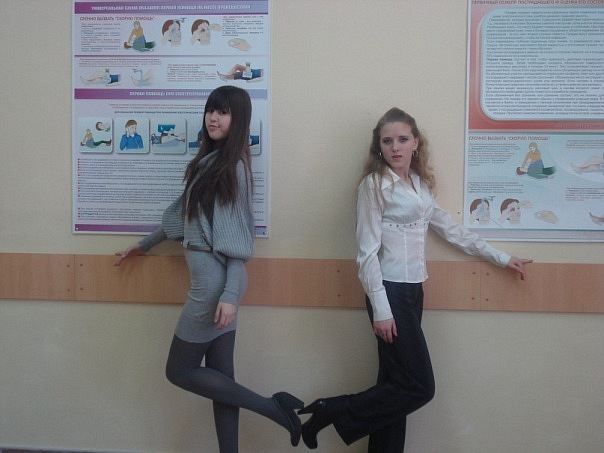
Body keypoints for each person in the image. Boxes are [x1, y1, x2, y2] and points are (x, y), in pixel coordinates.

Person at [298, 107, 532, 452]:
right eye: (387, 141)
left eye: (402, 139)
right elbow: (366, 254)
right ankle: (330, 409)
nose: (395, 147)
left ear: (415, 143)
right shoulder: (374, 186)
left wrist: (501, 257)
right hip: (389, 293)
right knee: (420, 386)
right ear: (379, 146)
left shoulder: (419, 186)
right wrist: (381, 309)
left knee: (395, 385)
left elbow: (451, 230)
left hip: (413, 292)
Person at [115, 86, 303, 452]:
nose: (213, 118)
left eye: (223, 112)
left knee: (178, 371)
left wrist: (229, 295)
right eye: (211, 110)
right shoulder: (210, 163)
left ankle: (274, 408)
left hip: (215, 288)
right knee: (221, 381)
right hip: (217, 285)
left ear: (239, 119)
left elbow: (236, 243)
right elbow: (185, 213)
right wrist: (145, 245)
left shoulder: (231, 169)